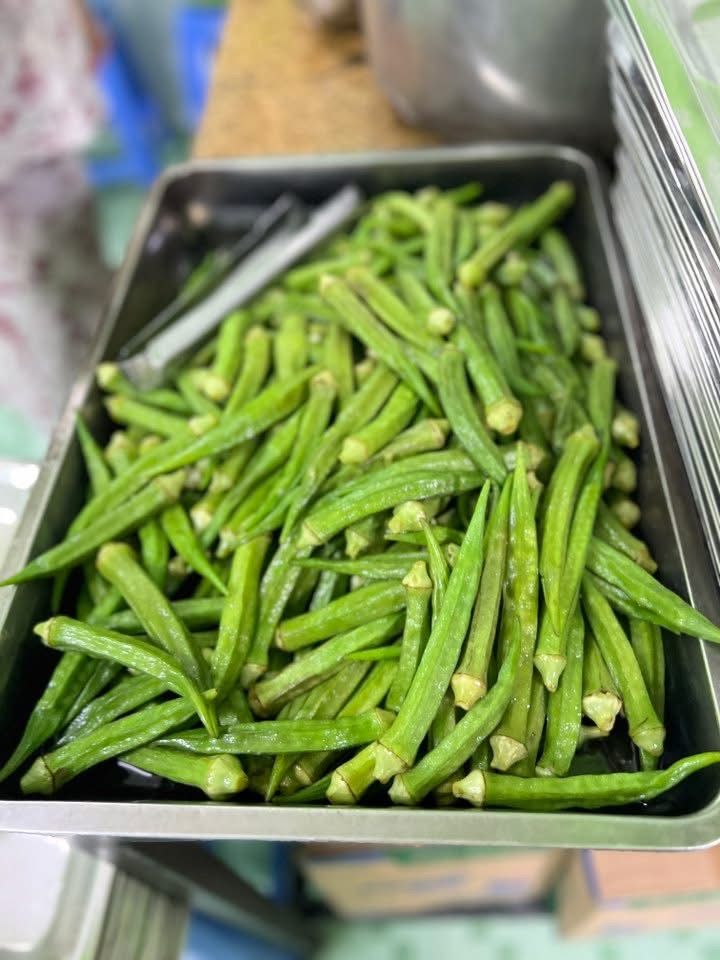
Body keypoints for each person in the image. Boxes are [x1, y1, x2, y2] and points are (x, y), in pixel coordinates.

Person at [0, 0, 109, 456]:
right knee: (32, 326)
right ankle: (72, 444)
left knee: (83, 269)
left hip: (30, 83)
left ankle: (115, 382)